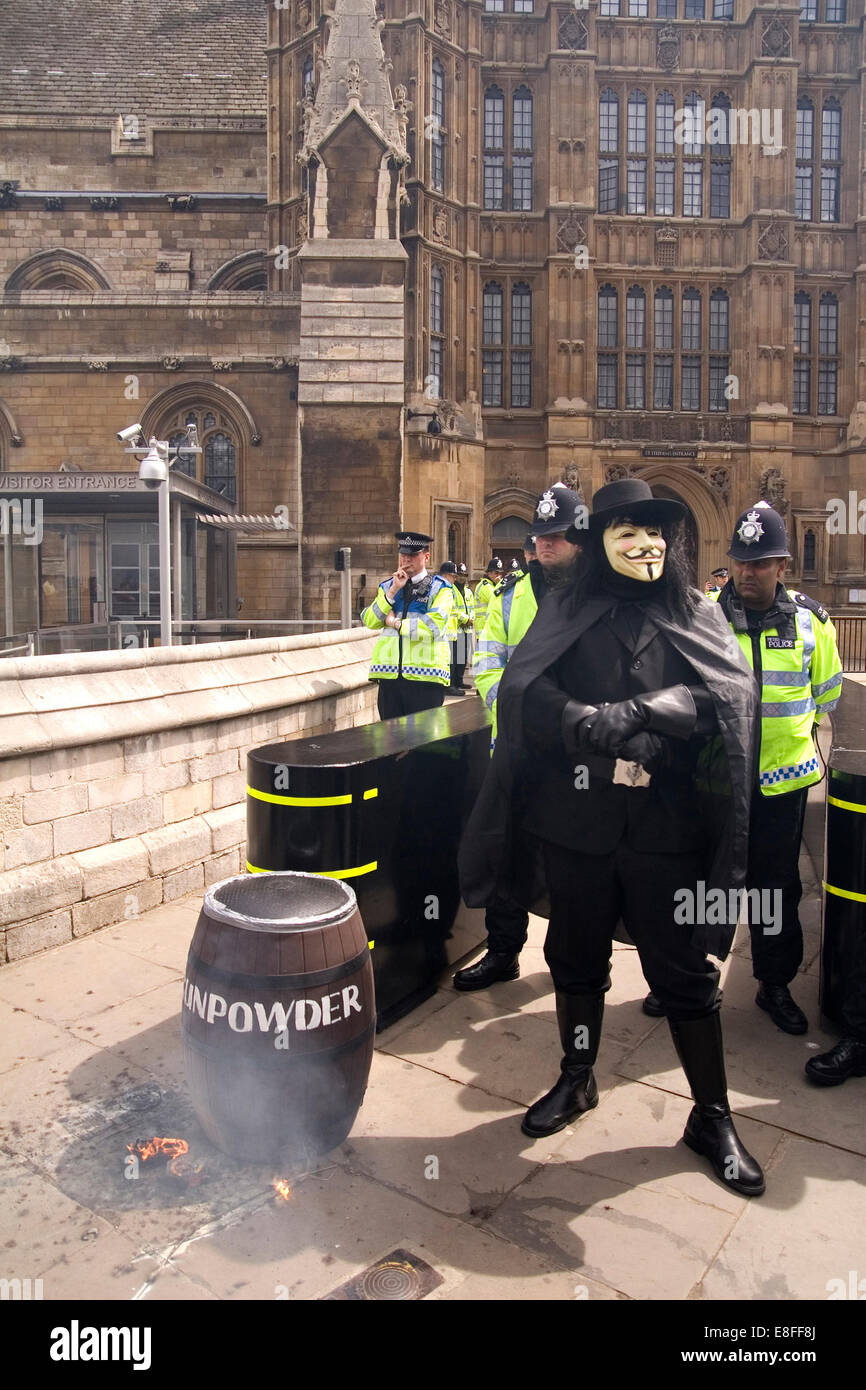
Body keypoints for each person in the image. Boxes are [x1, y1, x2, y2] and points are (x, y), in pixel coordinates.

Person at [459, 478, 765, 1197]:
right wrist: (577, 720)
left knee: (686, 975)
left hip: (667, 831)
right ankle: (577, 1076)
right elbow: (525, 691)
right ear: (602, 540)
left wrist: (652, 711)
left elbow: (730, 696)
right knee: (574, 957)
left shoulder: (693, 610)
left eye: (658, 529)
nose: (647, 542)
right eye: (629, 528)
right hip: (578, 825)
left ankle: (711, 1116)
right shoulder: (565, 606)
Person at [643, 503, 843, 1033]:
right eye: (741, 563)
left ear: (783, 565)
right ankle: (690, 974)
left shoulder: (811, 623)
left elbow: (826, 695)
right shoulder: (703, 616)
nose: (748, 573)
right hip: (713, 778)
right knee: (703, 879)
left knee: (775, 886)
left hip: (781, 783)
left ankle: (773, 985)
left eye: (761, 563)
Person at [454, 484, 584, 991]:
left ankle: (575, 958)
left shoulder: (597, 596)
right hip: (515, 749)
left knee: (573, 866)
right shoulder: (512, 597)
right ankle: (503, 952)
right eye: (541, 536)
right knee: (506, 853)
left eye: (558, 536)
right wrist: (511, 709)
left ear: (580, 539)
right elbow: (487, 663)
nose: (547, 545)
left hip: (576, 758)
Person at [361, 531, 454, 720]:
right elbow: (370, 620)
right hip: (390, 678)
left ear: (426, 556)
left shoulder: (441, 588)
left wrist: (395, 623)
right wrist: (392, 592)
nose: (406, 559)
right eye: (403, 554)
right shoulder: (388, 586)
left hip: (426, 679)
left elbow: (432, 626)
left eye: (413, 555)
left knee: (424, 745)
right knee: (389, 743)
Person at [438, 560, 471, 696]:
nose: (456, 578)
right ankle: (449, 685)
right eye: (454, 575)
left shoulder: (455, 589)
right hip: (449, 629)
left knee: (457, 659)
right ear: (446, 575)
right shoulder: (447, 589)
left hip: (454, 629)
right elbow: (452, 609)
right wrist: (465, 619)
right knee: (450, 660)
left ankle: (454, 683)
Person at [473, 557, 503, 635]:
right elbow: (496, 600)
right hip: (484, 628)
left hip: (488, 627)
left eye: (500, 573)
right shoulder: (486, 586)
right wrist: (500, 584)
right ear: (489, 573)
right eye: (496, 573)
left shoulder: (492, 585)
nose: (499, 576)